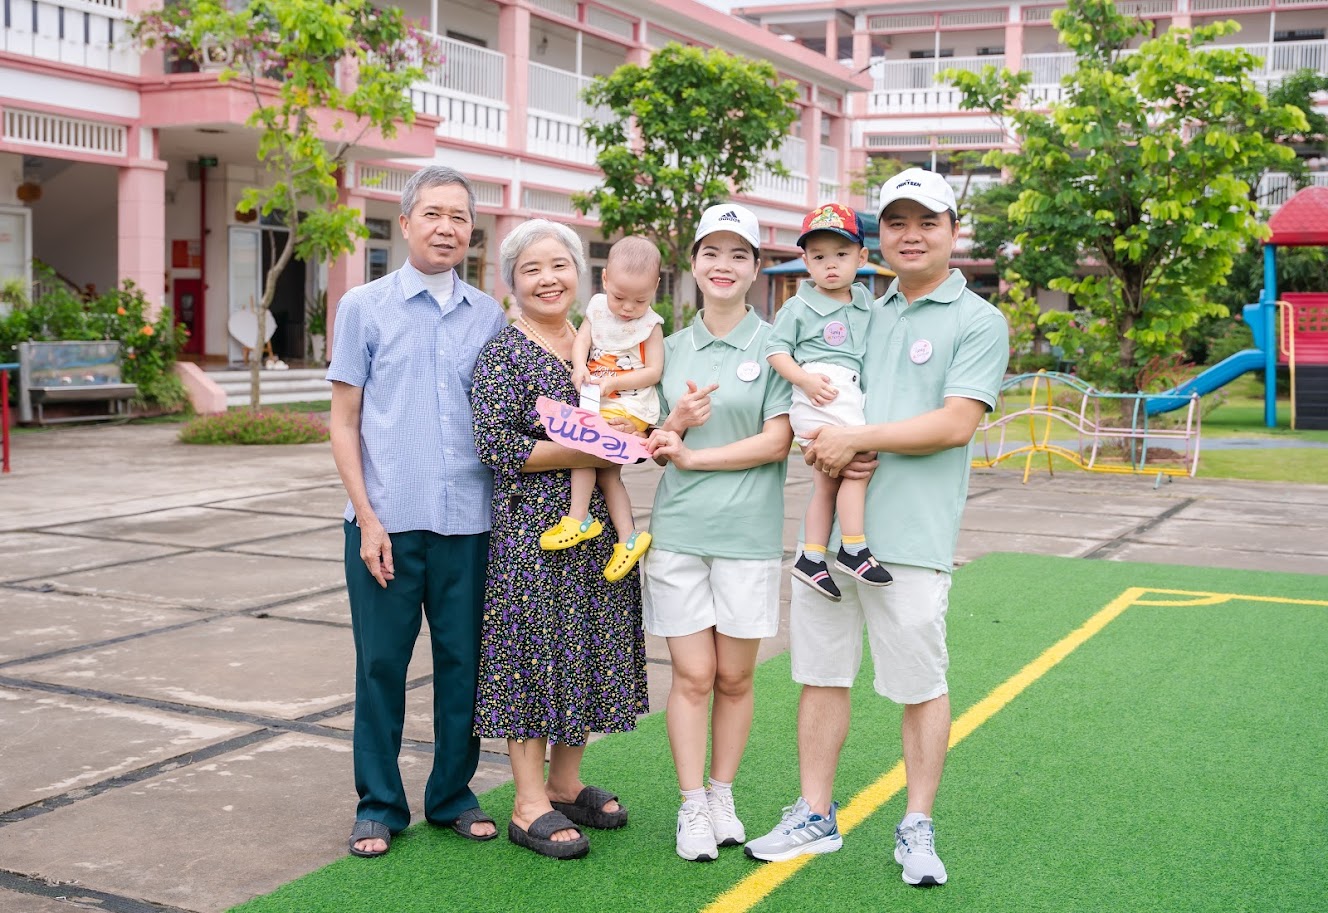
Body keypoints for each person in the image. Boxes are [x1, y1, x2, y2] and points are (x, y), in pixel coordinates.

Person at [744, 168, 1009, 887]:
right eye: (897, 222)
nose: (911, 235)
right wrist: (820, 441)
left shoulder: (978, 320)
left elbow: (955, 423)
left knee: (919, 683)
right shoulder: (861, 309)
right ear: (879, 238)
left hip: (912, 540)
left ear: (953, 231)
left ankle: (917, 823)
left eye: (927, 221)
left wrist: (856, 441)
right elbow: (818, 403)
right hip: (830, 542)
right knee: (820, 674)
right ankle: (814, 812)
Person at [327, 165, 506, 858]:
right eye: (432, 213)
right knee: (381, 666)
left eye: (459, 217)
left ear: (471, 231)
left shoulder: (488, 315)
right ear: (405, 223)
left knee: (465, 664)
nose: (446, 227)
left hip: (469, 523)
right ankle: (378, 803)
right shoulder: (363, 307)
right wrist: (367, 518)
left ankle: (453, 794)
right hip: (386, 525)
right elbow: (344, 422)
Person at [470, 219, 649, 860]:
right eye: (532, 269)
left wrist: (643, 432)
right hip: (534, 532)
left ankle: (565, 782)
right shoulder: (503, 352)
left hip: (597, 528)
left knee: (585, 649)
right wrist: (589, 446)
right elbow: (495, 444)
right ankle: (526, 802)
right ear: (511, 282)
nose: (548, 279)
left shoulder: (597, 339)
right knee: (533, 656)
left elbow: (632, 412)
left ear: (580, 273)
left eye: (559, 265)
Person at [643, 203, 794, 862]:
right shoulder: (668, 348)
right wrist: (674, 422)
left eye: (738, 254)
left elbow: (777, 440)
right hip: (679, 533)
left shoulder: (775, 348)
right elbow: (650, 442)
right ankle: (691, 804)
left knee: (734, 676)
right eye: (712, 252)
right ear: (695, 263)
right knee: (693, 674)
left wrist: (695, 457)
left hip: (747, 535)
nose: (723, 265)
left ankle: (722, 793)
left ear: (756, 268)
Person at [765, 203, 892, 601]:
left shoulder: (865, 303)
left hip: (846, 391)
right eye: (819, 257)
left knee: (826, 482)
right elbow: (775, 350)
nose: (831, 265)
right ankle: (854, 548)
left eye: (841, 254)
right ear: (806, 262)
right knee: (858, 467)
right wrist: (803, 379)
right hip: (821, 391)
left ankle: (812, 557)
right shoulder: (799, 306)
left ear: (861, 257)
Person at [541, 235, 664, 582]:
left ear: (655, 287)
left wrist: (614, 383)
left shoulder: (650, 325)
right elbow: (582, 339)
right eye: (619, 297)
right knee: (608, 474)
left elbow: (654, 371)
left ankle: (579, 517)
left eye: (640, 300)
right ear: (605, 279)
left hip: (628, 403)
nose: (627, 308)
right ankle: (629, 537)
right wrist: (580, 367)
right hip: (600, 400)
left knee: (585, 448)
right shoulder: (597, 309)